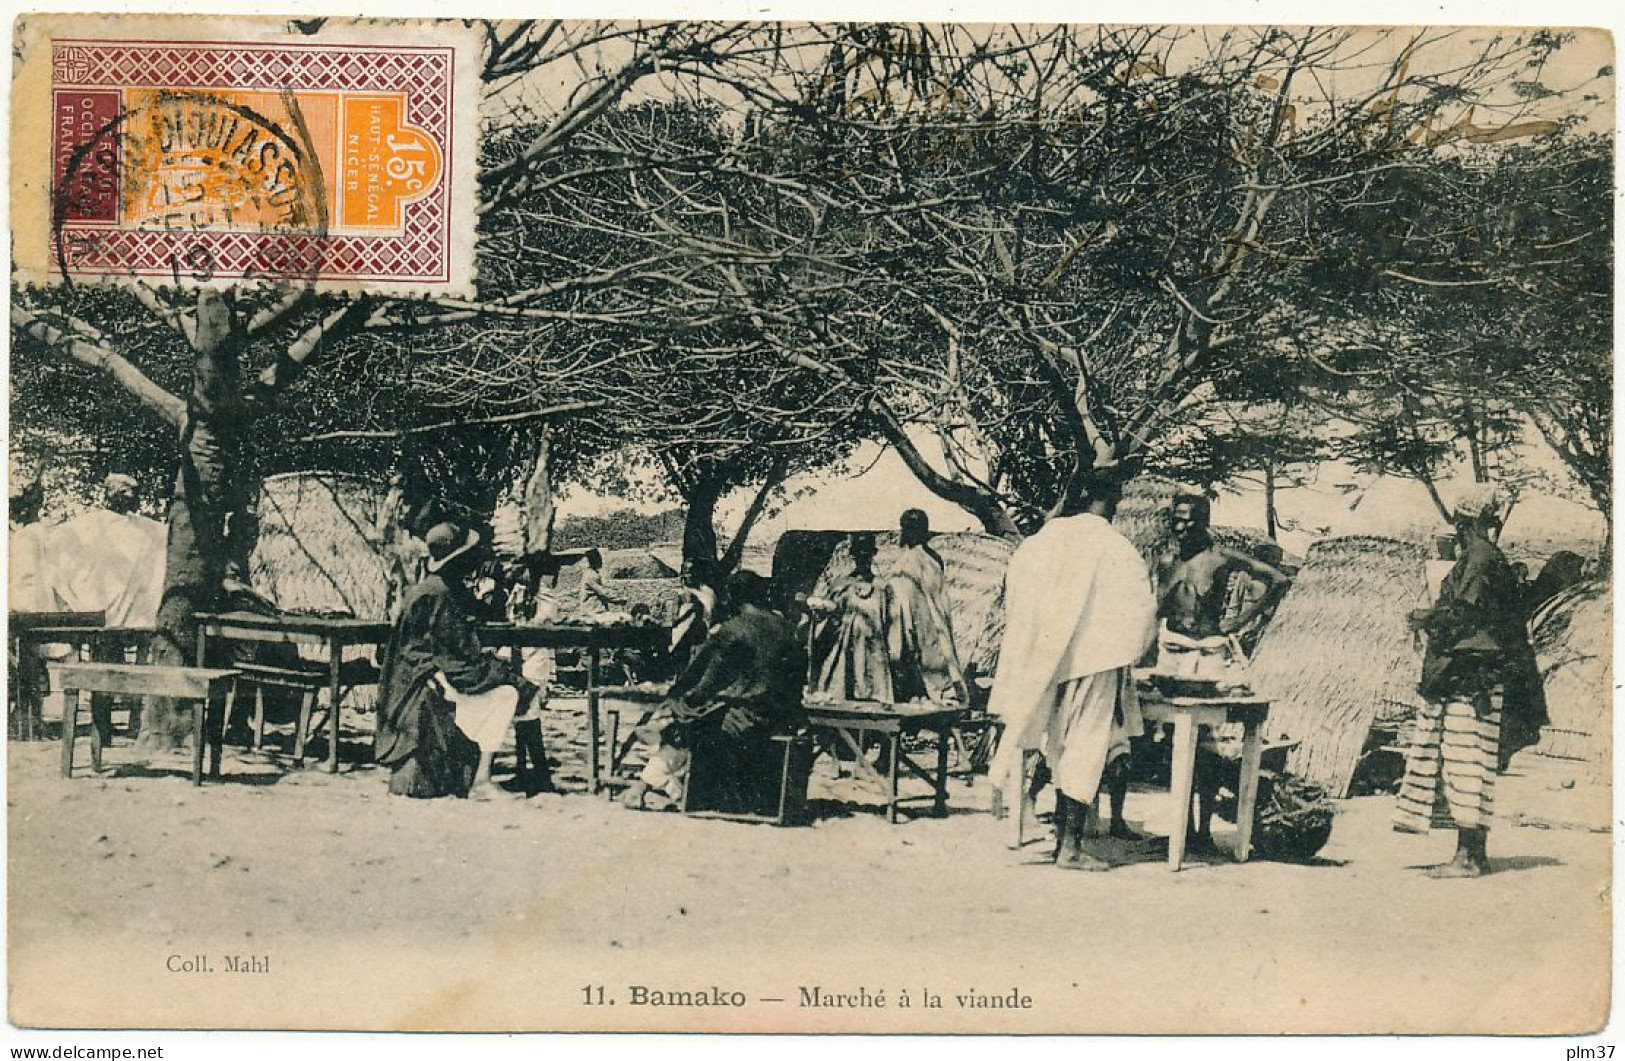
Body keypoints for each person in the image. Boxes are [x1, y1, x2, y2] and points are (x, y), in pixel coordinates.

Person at [988, 470, 1159, 870]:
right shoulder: (1116, 547)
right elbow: (1142, 610)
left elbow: (1016, 592)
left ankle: (1058, 842)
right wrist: (1126, 652)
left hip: (1048, 663)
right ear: (1112, 501)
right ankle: (1069, 849)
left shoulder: (1044, 539)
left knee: (1056, 749)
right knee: (1084, 751)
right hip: (1094, 662)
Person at [1396, 485, 1547, 876]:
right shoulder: (1481, 558)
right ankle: (1472, 854)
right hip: (1475, 674)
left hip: (1473, 676)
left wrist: (1424, 618)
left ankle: (1468, 857)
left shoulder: (1478, 560)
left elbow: (1464, 615)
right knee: (1472, 763)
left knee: (1466, 762)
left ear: (1461, 523)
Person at [1153, 492, 1292, 853]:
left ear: (1204, 522)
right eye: (1177, 519)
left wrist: (1239, 622)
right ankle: (1181, 828)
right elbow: (1157, 609)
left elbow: (1277, 581)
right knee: (1173, 739)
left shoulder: (1222, 559)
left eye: (1189, 520)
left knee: (1208, 741)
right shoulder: (1166, 560)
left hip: (1210, 650)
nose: (1181, 527)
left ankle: (1203, 829)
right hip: (1172, 650)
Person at [374, 523, 545, 799]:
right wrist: (510, 676)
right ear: (459, 560)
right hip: (428, 686)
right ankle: (484, 780)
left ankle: (526, 774)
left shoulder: (432, 590)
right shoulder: (440, 596)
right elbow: (456, 662)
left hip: (411, 685)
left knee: (509, 688)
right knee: (509, 694)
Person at [623, 571, 806, 813]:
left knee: (681, 720)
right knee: (690, 717)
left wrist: (679, 702)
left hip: (746, 721)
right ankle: (654, 784)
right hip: (783, 717)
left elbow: (706, 684)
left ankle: (648, 784)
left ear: (731, 598)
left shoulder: (733, 630)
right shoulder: (786, 628)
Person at [886, 509, 968, 706]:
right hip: (920, 619)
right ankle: (923, 693)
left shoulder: (919, 560)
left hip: (924, 619)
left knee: (925, 655)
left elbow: (923, 595)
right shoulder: (927, 558)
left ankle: (929, 693)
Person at [806, 534, 893, 702]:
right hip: (847, 652)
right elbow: (828, 623)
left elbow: (890, 622)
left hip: (874, 652)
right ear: (853, 556)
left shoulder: (882, 589)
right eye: (859, 555)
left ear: (872, 555)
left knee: (874, 695)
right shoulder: (841, 586)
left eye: (866, 555)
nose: (863, 559)